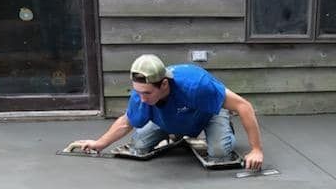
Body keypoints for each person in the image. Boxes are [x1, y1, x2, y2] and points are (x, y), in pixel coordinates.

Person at [68, 54, 264, 170]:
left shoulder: (197, 85)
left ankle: (221, 127)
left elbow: (243, 106)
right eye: (138, 92)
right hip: (168, 119)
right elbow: (126, 122)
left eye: (147, 93)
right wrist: (98, 144)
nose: (141, 98)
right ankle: (175, 134)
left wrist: (256, 150)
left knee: (220, 153)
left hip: (207, 114)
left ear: (164, 84)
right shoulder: (141, 95)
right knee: (138, 144)